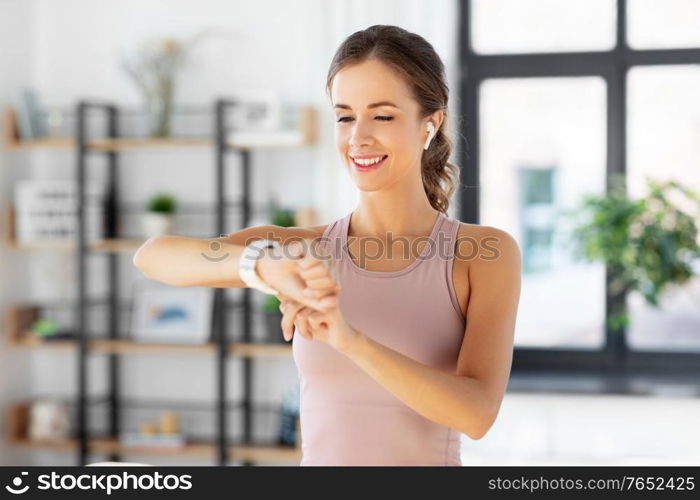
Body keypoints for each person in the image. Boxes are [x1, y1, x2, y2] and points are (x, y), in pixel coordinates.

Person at [134, 24, 521, 467]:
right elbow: (153, 257)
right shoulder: (302, 249)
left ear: (429, 124)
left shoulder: (483, 254)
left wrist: (350, 340)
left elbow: (476, 413)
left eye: (383, 115)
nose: (358, 137)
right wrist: (266, 266)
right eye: (344, 115)